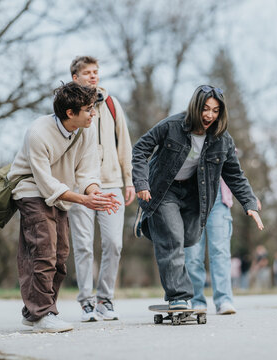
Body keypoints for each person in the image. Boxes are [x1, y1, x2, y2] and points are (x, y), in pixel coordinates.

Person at [132, 85, 264, 310]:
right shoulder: (172, 125)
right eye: (205, 109)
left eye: (215, 111)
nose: (209, 115)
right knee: (172, 238)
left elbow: (234, 174)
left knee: (189, 238)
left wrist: (249, 202)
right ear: (195, 107)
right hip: (164, 190)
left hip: (194, 194)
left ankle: (150, 223)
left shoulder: (222, 140)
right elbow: (140, 149)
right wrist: (141, 183)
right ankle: (179, 297)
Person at [8, 82, 120, 333]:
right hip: (31, 190)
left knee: (60, 256)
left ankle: (33, 311)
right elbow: (45, 183)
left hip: (60, 193)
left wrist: (95, 193)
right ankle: (43, 314)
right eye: (89, 109)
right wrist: (83, 200)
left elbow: (88, 170)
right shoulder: (38, 133)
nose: (94, 114)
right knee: (43, 249)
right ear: (70, 112)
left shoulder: (86, 131)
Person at [68, 56, 135, 322]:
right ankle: (86, 302)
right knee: (83, 245)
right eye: (87, 73)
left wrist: (129, 180)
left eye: (96, 72)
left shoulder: (110, 103)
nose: (94, 76)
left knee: (113, 243)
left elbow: (125, 143)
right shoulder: (68, 107)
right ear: (76, 78)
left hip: (111, 183)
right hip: (78, 188)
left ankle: (105, 300)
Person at [184, 178, 236, 315]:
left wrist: (248, 196)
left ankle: (224, 299)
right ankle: (197, 301)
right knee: (193, 254)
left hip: (218, 193)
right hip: (190, 192)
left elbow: (233, 165)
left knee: (220, 252)